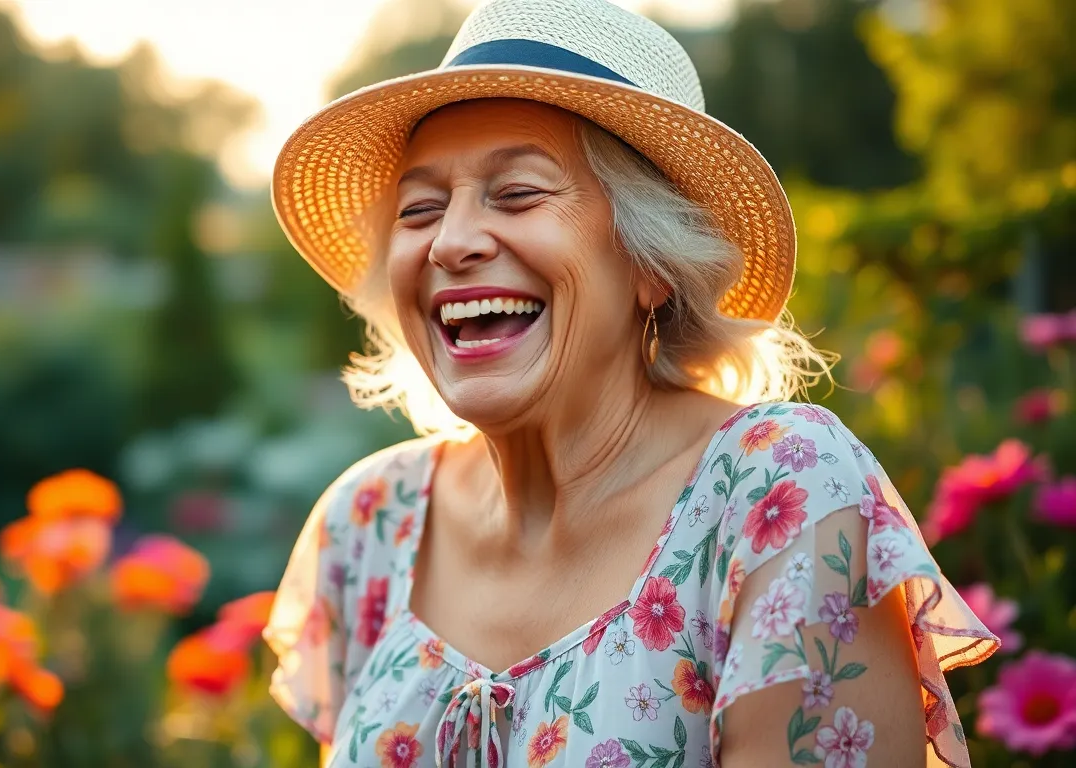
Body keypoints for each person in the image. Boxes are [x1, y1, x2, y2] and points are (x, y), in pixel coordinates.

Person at [261, 0, 997, 765]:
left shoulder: (776, 491)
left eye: (518, 193)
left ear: (652, 265)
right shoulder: (368, 524)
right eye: (420, 210)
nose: (451, 242)